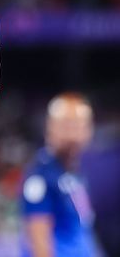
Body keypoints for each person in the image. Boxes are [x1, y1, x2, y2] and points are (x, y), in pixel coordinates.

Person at [20, 92, 101, 257]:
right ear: (50, 128)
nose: (74, 135)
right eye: (67, 126)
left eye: (80, 126)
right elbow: (39, 244)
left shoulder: (77, 171)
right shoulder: (40, 177)